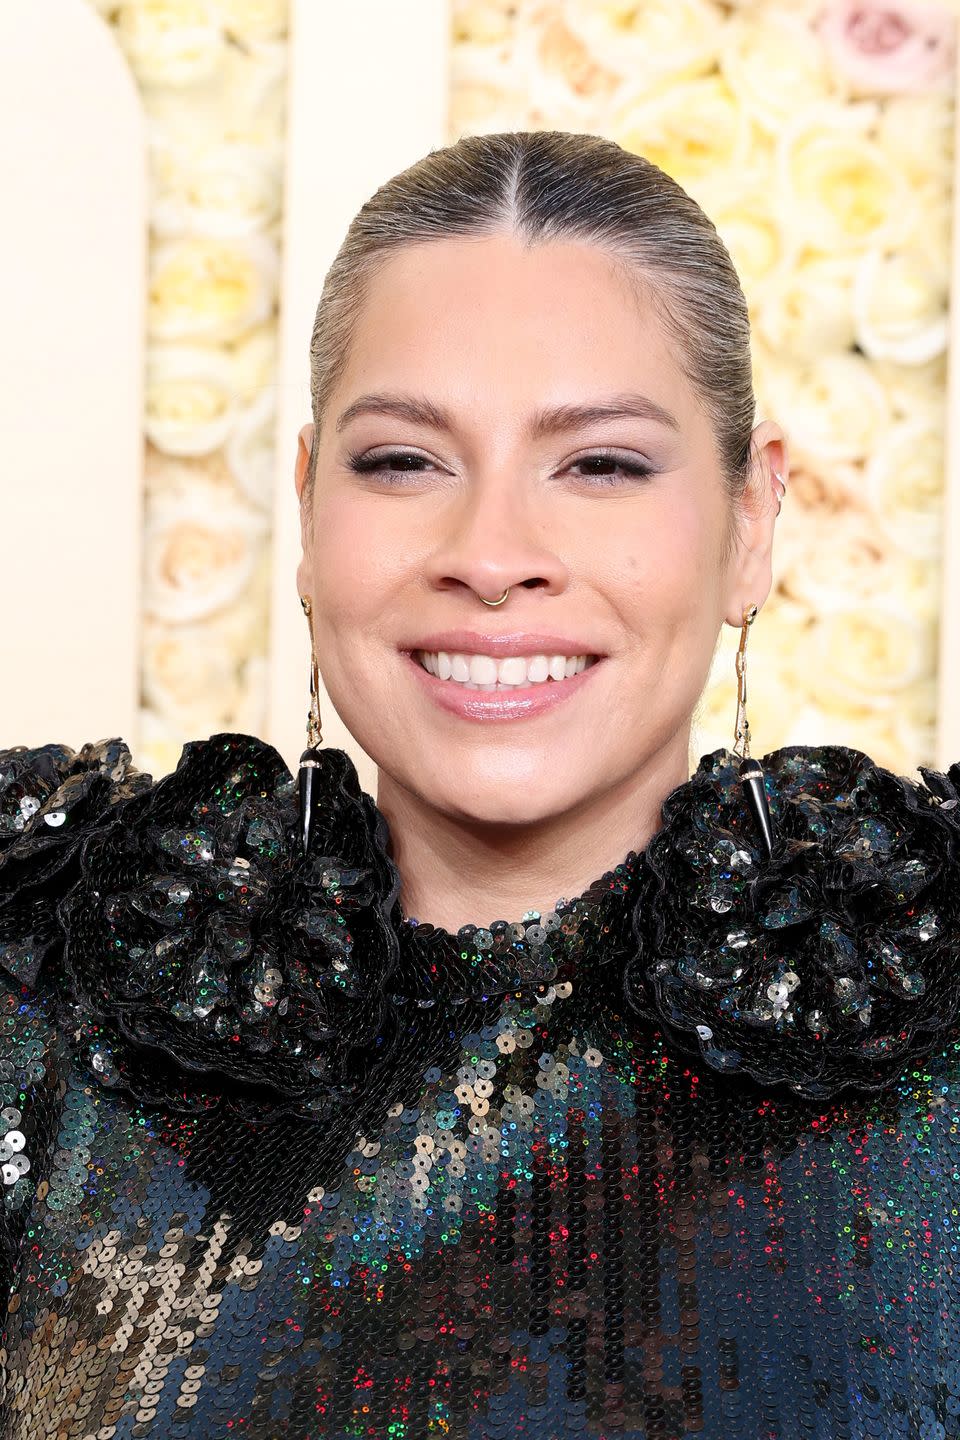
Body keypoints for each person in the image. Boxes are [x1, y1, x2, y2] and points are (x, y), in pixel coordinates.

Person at [1, 128, 958, 1440]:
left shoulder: (929, 1008)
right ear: (307, 509)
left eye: (602, 465)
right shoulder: (49, 989)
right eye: (404, 461)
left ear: (751, 521)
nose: (493, 553)